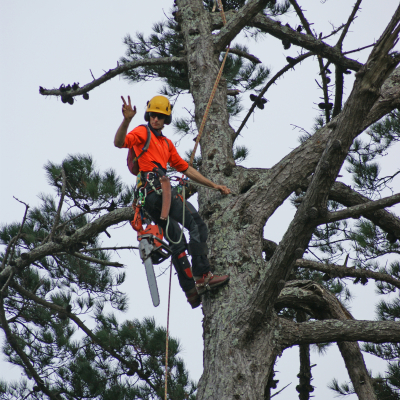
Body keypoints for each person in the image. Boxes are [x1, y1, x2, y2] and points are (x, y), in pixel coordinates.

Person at [114, 95, 230, 308]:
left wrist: (213, 185)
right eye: (153, 115)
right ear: (148, 116)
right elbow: (119, 142)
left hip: (153, 198)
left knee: (177, 242)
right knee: (196, 223)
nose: (156, 119)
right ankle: (203, 274)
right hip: (156, 193)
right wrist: (127, 120)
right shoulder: (142, 132)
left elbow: (186, 168)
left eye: (160, 116)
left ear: (166, 120)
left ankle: (191, 292)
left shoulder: (167, 144)